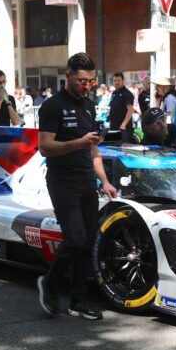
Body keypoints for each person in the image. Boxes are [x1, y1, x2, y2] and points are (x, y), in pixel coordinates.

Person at [36, 52, 117, 320]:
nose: (86, 86)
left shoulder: (89, 106)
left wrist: (105, 181)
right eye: (82, 81)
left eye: (91, 81)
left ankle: (79, 300)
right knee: (75, 239)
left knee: (88, 242)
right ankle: (50, 283)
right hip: (61, 181)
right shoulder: (52, 106)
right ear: (68, 76)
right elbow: (45, 148)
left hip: (86, 180)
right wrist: (78, 143)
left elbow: (93, 150)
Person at [109, 72, 135, 143]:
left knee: (123, 147)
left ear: (123, 81)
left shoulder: (127, 93)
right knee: (113, 146)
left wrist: (123, 124)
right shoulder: (114, 93)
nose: (116, 82)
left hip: (123, 128)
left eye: (118, 80)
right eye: (115, 80)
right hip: (114, 127)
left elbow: (130, 110)